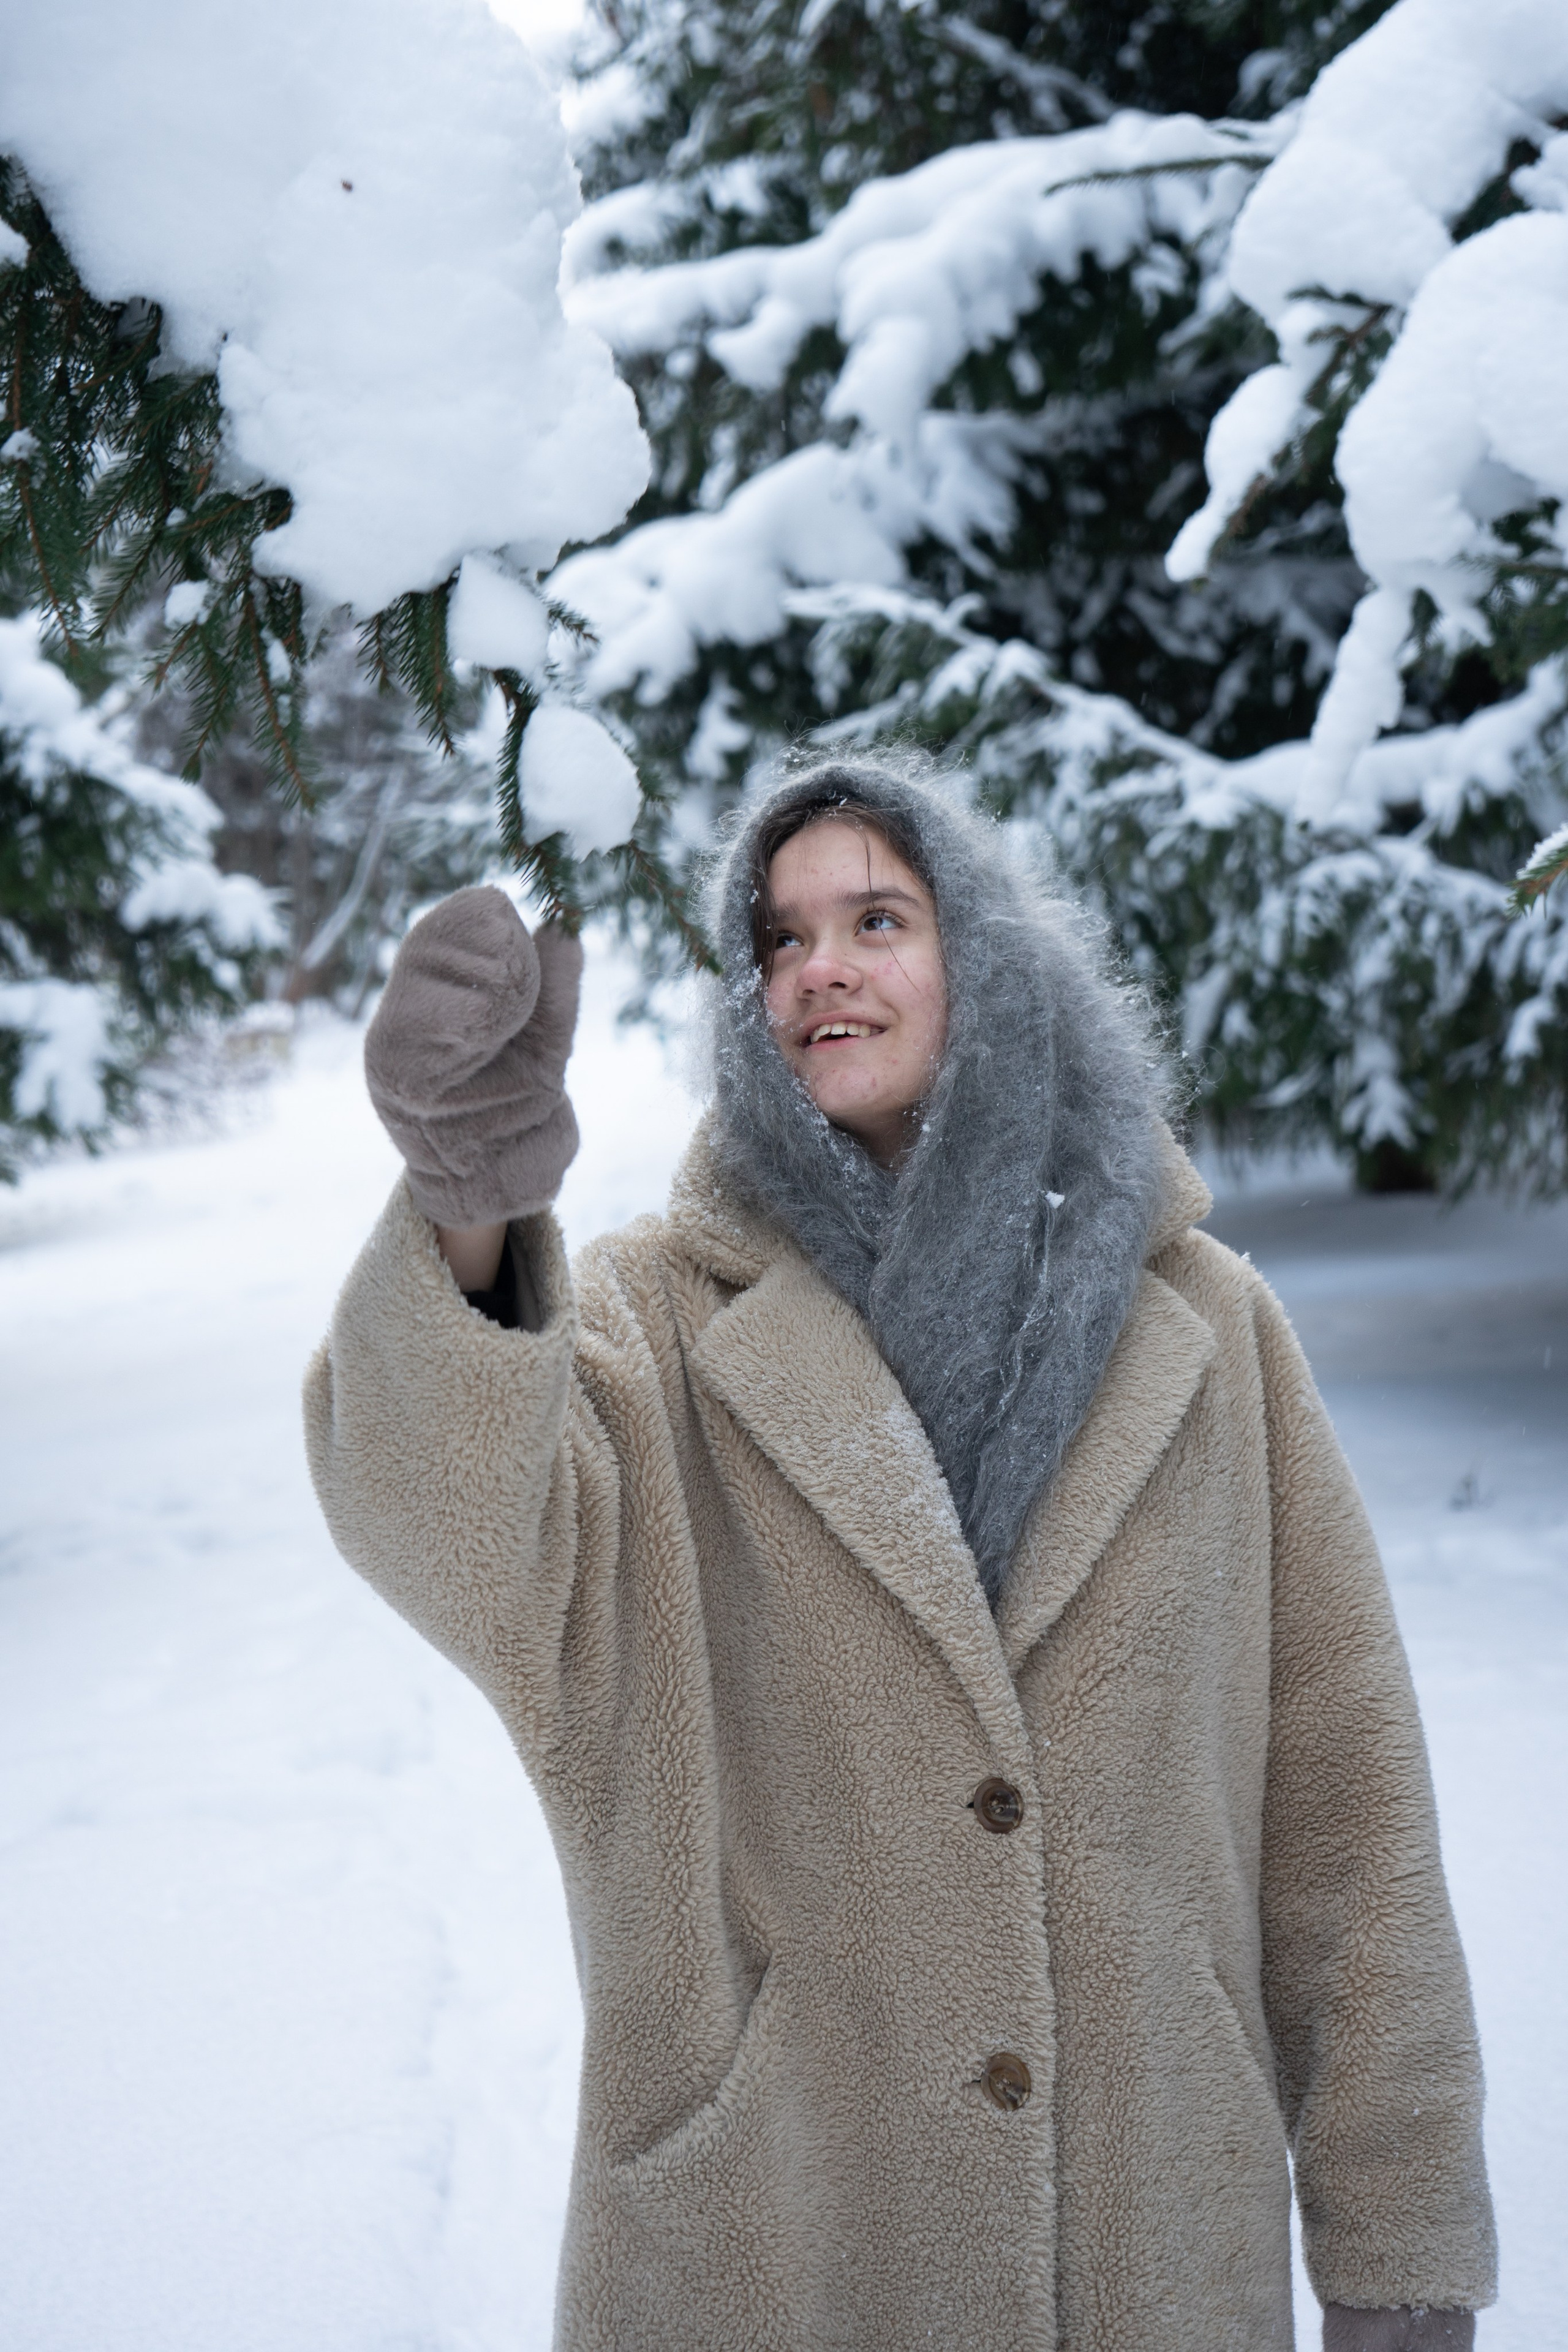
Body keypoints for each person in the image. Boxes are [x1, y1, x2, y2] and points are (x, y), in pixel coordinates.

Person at [305, 760, 1496, 2352]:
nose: (823, 969)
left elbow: (1351, 1821)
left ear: (982, 960)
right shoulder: (653, 1325)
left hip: (1159, 2246)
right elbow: (444, 1534)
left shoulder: (1204, 1326)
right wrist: (467, 1211)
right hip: (774, 2240)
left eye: (878, 917)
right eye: (782, 940)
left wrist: (1397, 2247)